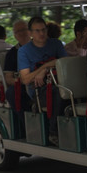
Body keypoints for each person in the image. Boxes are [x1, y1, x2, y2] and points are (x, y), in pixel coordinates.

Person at [18, 16, 67, 146]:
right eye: (37, 31)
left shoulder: (56, 44)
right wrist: (45, 67)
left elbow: (65, 63)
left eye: (43, 30)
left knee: (66, 91)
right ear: (30, 33)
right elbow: (26, 79)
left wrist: (44, 70)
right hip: (37, 89)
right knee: (58, 93)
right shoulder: (24, 51)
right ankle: (53, 131)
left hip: (59, 82)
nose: (41, 33)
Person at [4, 20, 32, 123]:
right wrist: (22, 80)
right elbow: (8, 78)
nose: (22, 33)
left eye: (24, 29)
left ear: (30, 31)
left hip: (41, 81)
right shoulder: (12, 54)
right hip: (23, 85)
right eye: (18, 31)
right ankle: (27, 123)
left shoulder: (39, 46)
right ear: (15, 35)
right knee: (12, 92)